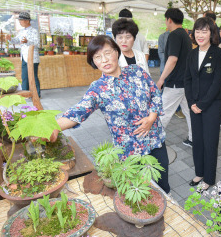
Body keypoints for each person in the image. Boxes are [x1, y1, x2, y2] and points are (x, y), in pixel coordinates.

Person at [50, 35, 170, 193]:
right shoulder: (98, 89)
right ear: (94, 62)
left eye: (107, 53)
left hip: (155, 141)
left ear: (116, 52)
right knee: (137, 192)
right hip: (129, 152)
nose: (104, 60)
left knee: (163, 186)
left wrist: (151, 118)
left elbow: (155, 94)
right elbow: (78, 111)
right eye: (97, 57)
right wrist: (53, 127)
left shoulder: (137, 71)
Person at [184, 17, 221, 190]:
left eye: (205, 31)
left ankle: (208, 178)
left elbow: (217, 82)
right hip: (194, 106)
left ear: (211, 33)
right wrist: (192, 103)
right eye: (198, 31)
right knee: (198, 141)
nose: (200, 35)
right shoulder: (192, 54)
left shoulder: (218, 53)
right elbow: (187, 80)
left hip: (211, 106)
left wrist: (202, 104)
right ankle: (199, 173)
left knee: (210, 143)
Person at [156, 8, 193, 148]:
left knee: (163, 112)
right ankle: (193, 138)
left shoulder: (174, 35)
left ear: (169, 19)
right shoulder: (185, 34)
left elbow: (172, 59)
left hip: (175, 83)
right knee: (189, 112)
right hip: (185, 82)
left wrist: (161, 79)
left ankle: (154, 140)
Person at [11, 12, 40, 97]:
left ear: (27, 21)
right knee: (24, 76)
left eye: (21, 20)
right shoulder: (21, 31)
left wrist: (28, 42)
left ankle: (37, 94)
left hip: (32, 58)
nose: (20, 22)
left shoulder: (34, 31)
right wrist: (10, 39)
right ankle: (25, 94)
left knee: (33, 77)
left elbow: (37, 43)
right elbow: (16, 40)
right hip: (24, 57)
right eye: (19, 20)